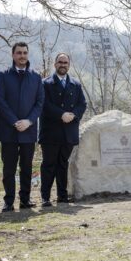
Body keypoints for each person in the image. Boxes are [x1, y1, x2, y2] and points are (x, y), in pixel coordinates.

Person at [0, 42, 45, 212]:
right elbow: (0, 101)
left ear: (28, 54)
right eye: (19, 53)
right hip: (8, 130)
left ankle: (25, 199)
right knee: (9, 168)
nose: (22, 56)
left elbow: (39, 103)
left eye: (25, 53)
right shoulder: (3, 75)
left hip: (29, 130)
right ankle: (8, 201)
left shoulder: (36, 77)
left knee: (27, 166)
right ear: (13, 55)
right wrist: (14, 121)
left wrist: (29, 121)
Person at [39, 53, 87, 207]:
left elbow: (82, 104)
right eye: (60, 62)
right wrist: (61, 114)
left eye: (65, 62)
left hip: (69, 131)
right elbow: (44, 104)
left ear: (69, 65)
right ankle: (45, 197)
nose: (63, 65)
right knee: (49, 164)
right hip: (51, 132)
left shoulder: (76, 84)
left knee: (63, 164)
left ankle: (62, 195)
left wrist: (74, 115)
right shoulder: (45, 83)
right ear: (55, 64)